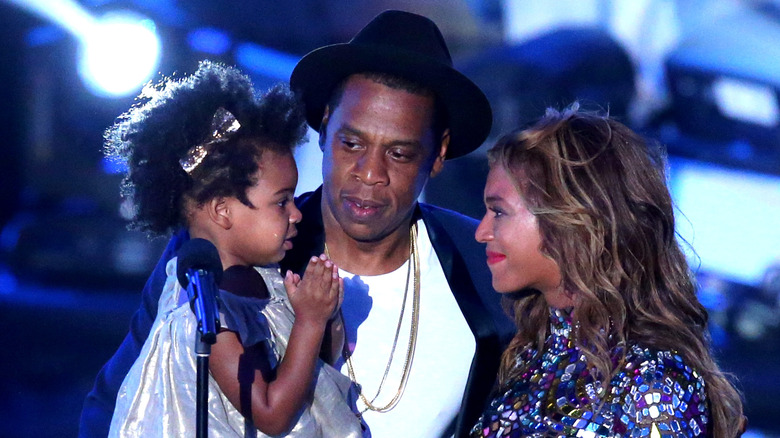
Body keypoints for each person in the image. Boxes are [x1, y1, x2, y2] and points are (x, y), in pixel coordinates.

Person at [80, 10, 514, 438]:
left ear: (437, 154)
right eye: (351, 143)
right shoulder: (220, 254)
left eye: (399, 153)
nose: (369, 172)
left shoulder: (486, 266)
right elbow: (118, 406)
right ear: (325, 126)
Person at [102, 60, 362, 437]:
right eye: (281, 202)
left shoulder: (265, 283)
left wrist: (326, 316)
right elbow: (271, 415)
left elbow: (309, 375)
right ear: (223, 211)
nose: (296, 214)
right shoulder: (204, 307)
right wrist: (309, 320)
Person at [471, 104, 745, 438]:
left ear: (569, 217)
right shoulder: (526, 356)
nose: (481, 232)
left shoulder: (652, 384)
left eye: (498, 212)